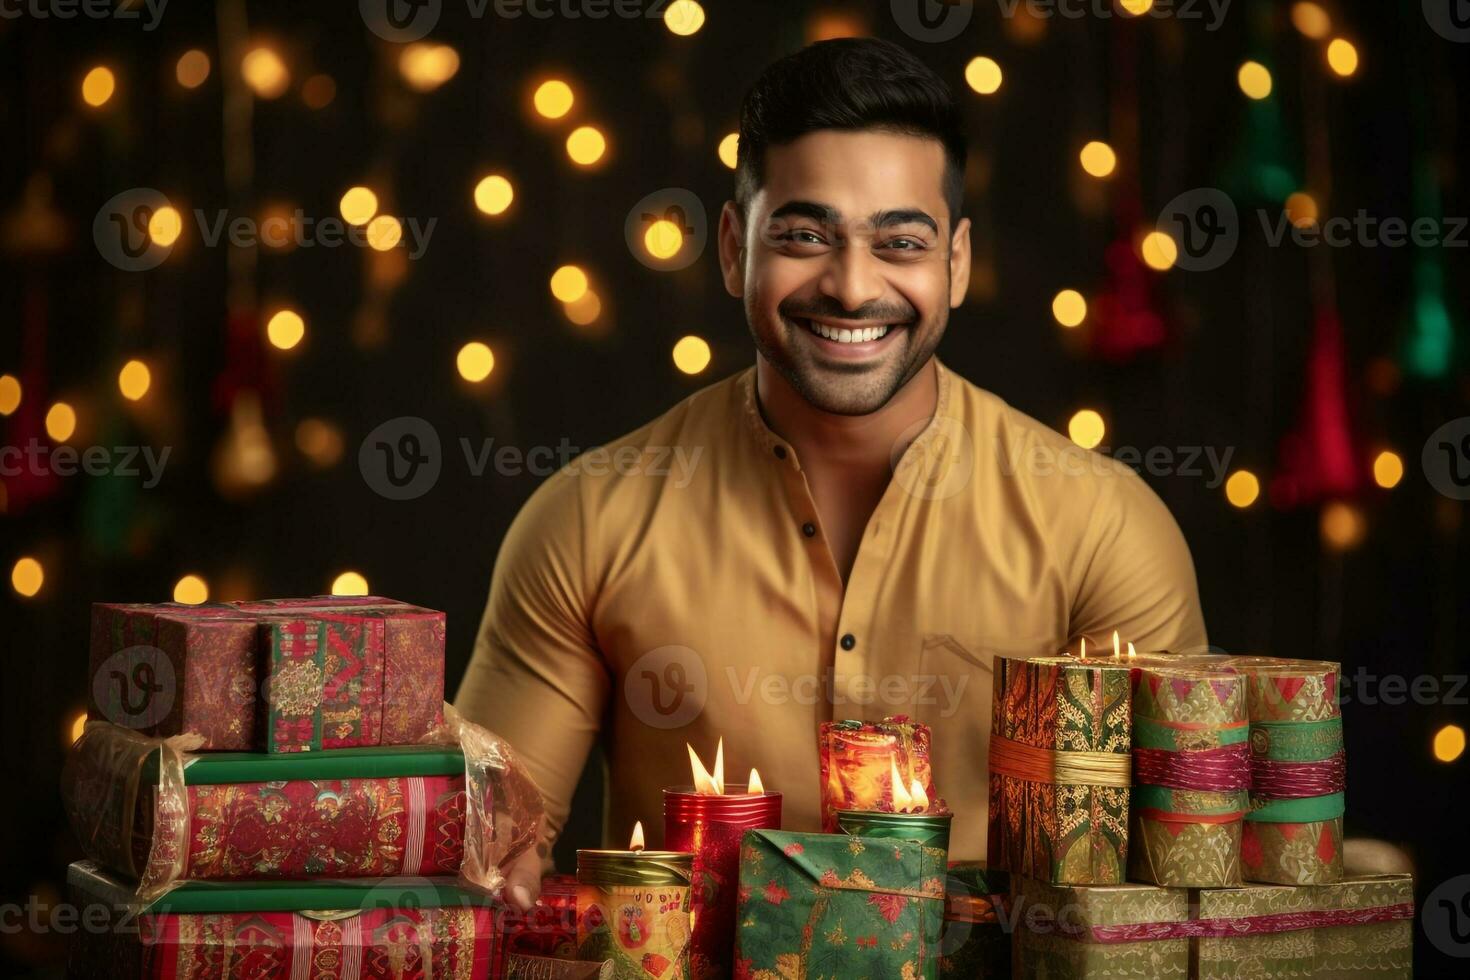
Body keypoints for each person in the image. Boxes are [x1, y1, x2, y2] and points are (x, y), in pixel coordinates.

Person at [456, 37, 1207, 910]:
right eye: (807, 235)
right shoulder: (589, 518)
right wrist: (497, 878)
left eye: (901, 242)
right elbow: (490, 854)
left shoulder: (1102, 528)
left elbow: (1169, 889)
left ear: (956, 263)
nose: (852, 288)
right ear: (734, 249)